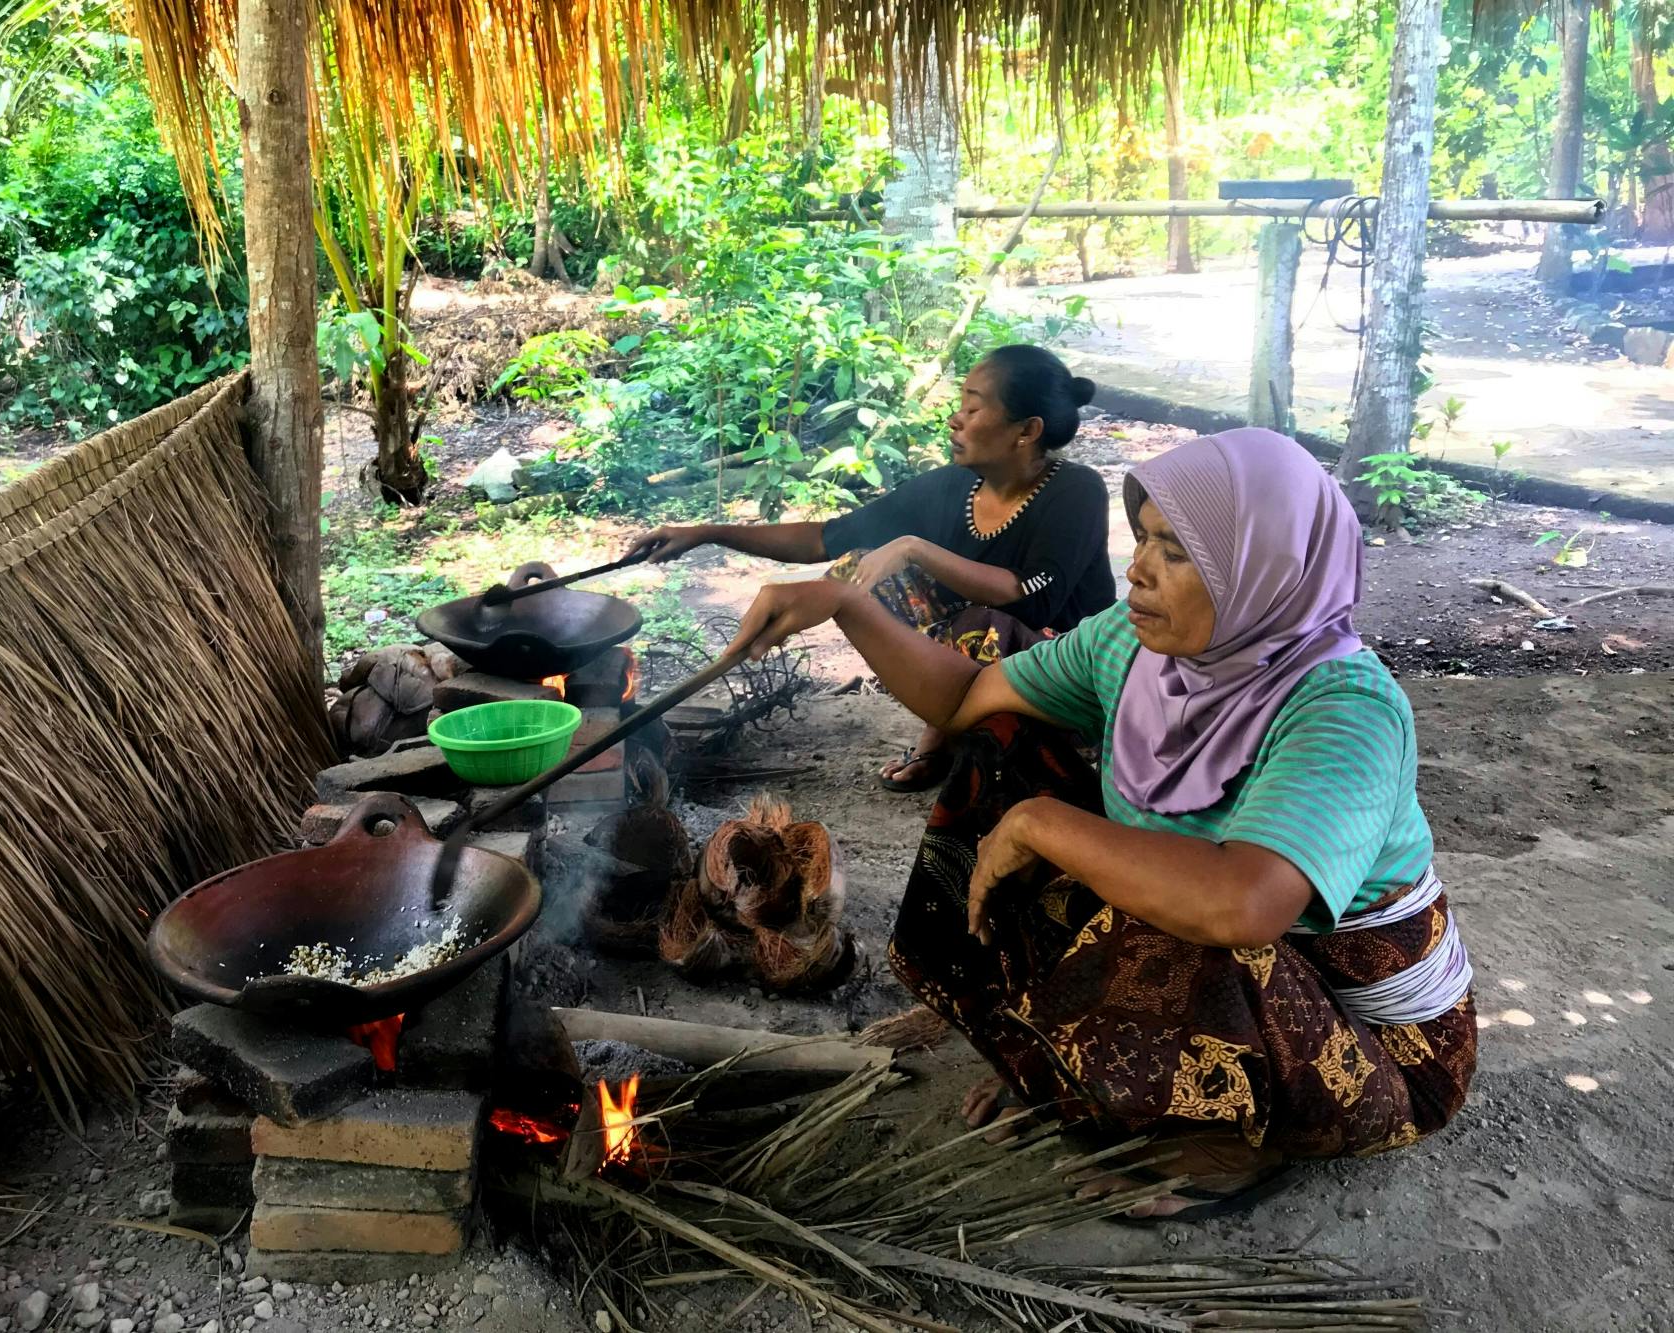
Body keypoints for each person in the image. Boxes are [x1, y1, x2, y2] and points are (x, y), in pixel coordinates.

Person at [722, 427, 1476, 1217]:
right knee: (1003, 747)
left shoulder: (1344, 710)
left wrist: (1043, 823)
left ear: (1268, 570)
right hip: (1240, 967)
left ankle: (1223, 1146)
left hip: (1367, 1047)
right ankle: (1061, 1059)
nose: (1139, 569)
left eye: (1178, 554)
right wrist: (843, 603)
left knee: (1168, 900)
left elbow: (1244, 904)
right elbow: (965, 698)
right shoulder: (1134, 646)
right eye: (1144, 537)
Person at [625, 345, 1116, 792]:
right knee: (862, 569)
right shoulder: (952, 488)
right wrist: (707, 532)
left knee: (974, 617)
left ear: (1027, 431)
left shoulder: (1076, 492)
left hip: (1065, 679)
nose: (954, 419)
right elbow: (827, 537)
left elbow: (1026, 593)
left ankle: (981, 749)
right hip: (981, 672)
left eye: (972, 407)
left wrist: (912, 547)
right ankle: (954, 732)